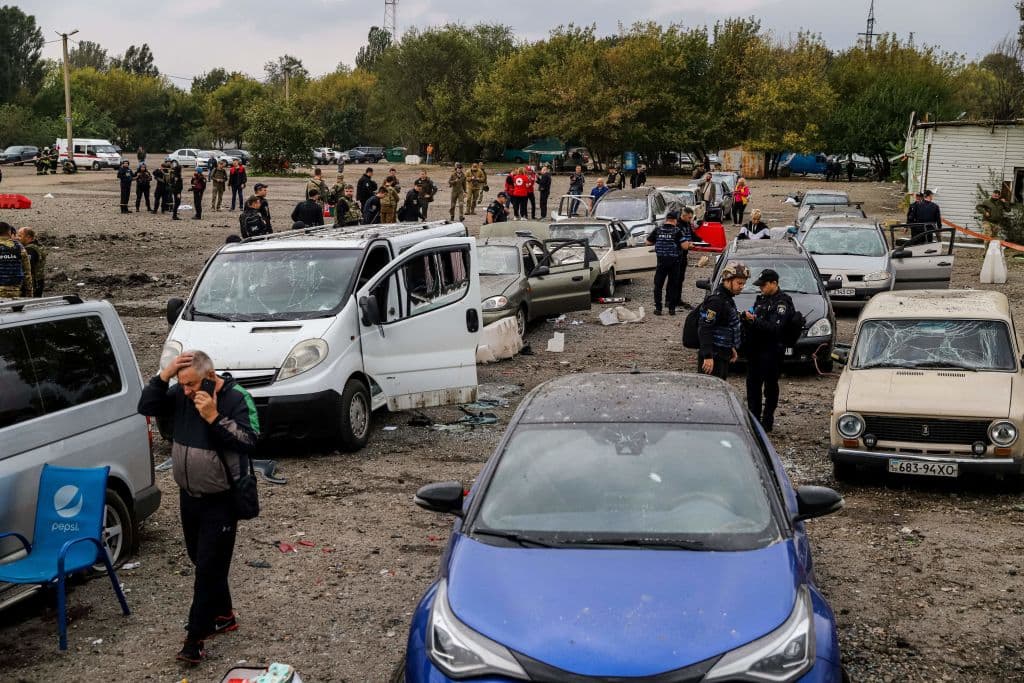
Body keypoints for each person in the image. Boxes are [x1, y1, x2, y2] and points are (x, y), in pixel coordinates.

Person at [137, 350, 259, 665]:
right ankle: (224, 615)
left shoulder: (236, 397)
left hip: (222, 499)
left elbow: (251, 441)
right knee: (201, 559)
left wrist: (214, 417)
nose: (187, 391)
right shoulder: (180, 394)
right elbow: (146, 406)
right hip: (189, 495)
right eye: (182, 384)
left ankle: (195, 639)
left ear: (209, 376)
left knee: (207, 568)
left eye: (191, 384)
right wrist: (164, 377)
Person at [742, 269, 794, 432]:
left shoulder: (782, 303)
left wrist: (754, 320)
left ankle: (767, 419)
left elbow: (774, 328)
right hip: (755, 350)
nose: (761, 289)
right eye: (760, 286)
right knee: (752, 386)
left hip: (771, 352)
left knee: (770, 387)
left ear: (774, 284)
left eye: (764, 285)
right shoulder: (761, 300)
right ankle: (754, 418)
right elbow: (754, 314)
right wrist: (746, 318)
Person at [697, 260, 748, 380]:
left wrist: (731, 347)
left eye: (743, 284)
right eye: (739, 283)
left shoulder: (728, 299)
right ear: (728, 281)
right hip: (714, 356)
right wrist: (708, 356)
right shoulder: (716, 301)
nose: (742, 287)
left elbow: (726, 326)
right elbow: (705, 328)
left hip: (723, 353)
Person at [646, 210, 693, 316]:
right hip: (674, 262)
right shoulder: (677, 231)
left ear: (667, 219)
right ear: (675, 220)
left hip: (661, 262)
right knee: (673, 285)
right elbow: (685, 246)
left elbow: (648, 242)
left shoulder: (658, 229)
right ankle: (671, 309)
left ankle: (658, 308)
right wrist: (689, 245)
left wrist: (659, 241)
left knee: (658, 285)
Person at [0, 222, 33, 298]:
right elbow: (27, 273)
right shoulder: (19, 246)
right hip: (14, 292)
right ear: (9, 232)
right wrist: (29, 294)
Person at [16, 227, 46, 297]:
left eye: (20, 236)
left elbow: (28, 268)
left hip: (33, 283)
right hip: (39, 280)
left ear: (28, 237)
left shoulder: (30, 250)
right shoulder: (38, 246)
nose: (17, 238)